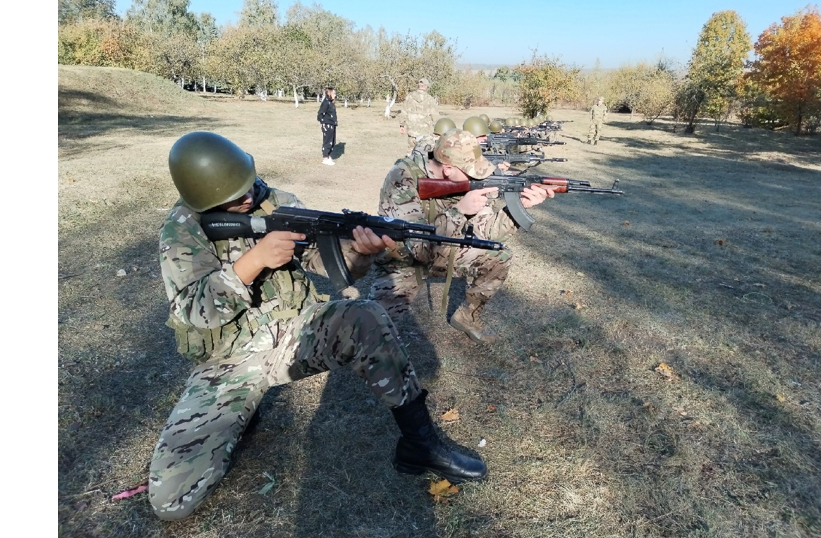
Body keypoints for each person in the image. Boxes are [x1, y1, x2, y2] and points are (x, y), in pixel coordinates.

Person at [149, 131, 486, 521]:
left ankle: (420, 444)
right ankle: (240, 416)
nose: (247, 199)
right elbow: (192, 311)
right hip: (230, 360)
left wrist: (359, 253)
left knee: (366, 315)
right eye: (234, 198)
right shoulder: (182, 231)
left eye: (248, 188)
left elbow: (325, 265)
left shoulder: (277, 203)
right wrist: (252, 263)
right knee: (171, 501)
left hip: (295, 332)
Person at [372, 129, 556, 345]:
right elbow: (418, 248)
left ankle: (466, 316)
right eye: (471, 173)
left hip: (444, 250)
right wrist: (460, 211)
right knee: (372, 333)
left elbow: (488, 233)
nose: (476, 177)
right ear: (448, 169)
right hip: (403, 260)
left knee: (499, 255)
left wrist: (520, 207)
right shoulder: (402, 177)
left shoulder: (467, 180)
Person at [398, 78, 440, 148]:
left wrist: (402, 125)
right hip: (425, 132)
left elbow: (404, 112)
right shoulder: (430, 99)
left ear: (419, 86)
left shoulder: (410, 97)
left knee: (410, 153)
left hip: (412, 131)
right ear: (426, 87)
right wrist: (438, 131)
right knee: (424, 154)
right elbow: (435, 116)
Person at [317, 87, 338, 165]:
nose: (335, 95)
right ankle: (325, 158)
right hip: (328, 125)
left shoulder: (330, 102)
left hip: (332, 124)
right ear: (329, 93)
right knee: (327, 141)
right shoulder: (325, 102)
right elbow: (320, 114)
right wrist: (324, 123)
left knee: (332, 141)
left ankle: (328, 156)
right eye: (334, 93)